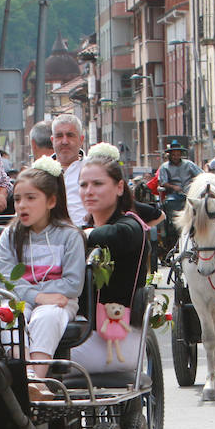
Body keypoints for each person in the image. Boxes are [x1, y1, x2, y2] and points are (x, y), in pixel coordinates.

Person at [0, 158, 85, 397]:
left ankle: (35, 381)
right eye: (17, 199)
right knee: (9, 317)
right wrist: (39, 295)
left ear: (51, 201)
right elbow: (5, 281)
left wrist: (46, 299)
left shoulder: (70, 236)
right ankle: (28, 378)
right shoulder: (10, 236)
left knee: (47, 316)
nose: (22, 205)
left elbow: (73, 284)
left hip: (60, 303)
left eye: (31, 198)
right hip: (20, 300)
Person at [70, 144, 147, 374]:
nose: (89, 191)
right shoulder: (82, 229)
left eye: (98, 184)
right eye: (83, 185)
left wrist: (76, 235)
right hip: (80, 335)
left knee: (35, 356)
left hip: (117, 341)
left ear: (120, 187)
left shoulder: (130, 226)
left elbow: (117, 236)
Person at [51, 114, 88, 227]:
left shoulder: (94, 168)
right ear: (52, 140)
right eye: (59, 136)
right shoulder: (39, 171)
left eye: (70, 135)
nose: (65, 141)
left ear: (81, 139)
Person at [156, 140, 202, 219]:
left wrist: (194, 182)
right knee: (170, 202)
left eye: (178, 155)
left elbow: (201, 175)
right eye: (173, 155)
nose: (176, 157)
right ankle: (174, 224)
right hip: (174, 194)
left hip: (190, 192)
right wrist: (173, 187)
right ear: (169, 155)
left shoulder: (189, 164)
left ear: (181, 155)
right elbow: (163, 182)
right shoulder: (164, 166)